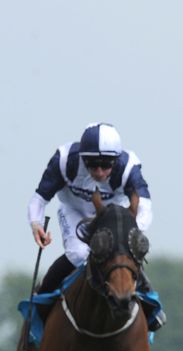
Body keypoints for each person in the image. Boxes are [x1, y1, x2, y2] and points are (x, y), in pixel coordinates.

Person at [28, 122, 165, 331]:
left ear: (116, 160)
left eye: (106, 164)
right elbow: (39, 199)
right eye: (92, 164)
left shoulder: (128, 167)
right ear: (83, 157)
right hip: (74, 211)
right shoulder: (65, 160)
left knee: (121, 253)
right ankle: (42, 299)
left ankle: (149, 303)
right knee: (78, 254)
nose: (99, 171)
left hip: (112, 215)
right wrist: (36, 224)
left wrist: (130, 232)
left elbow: (144, 205)